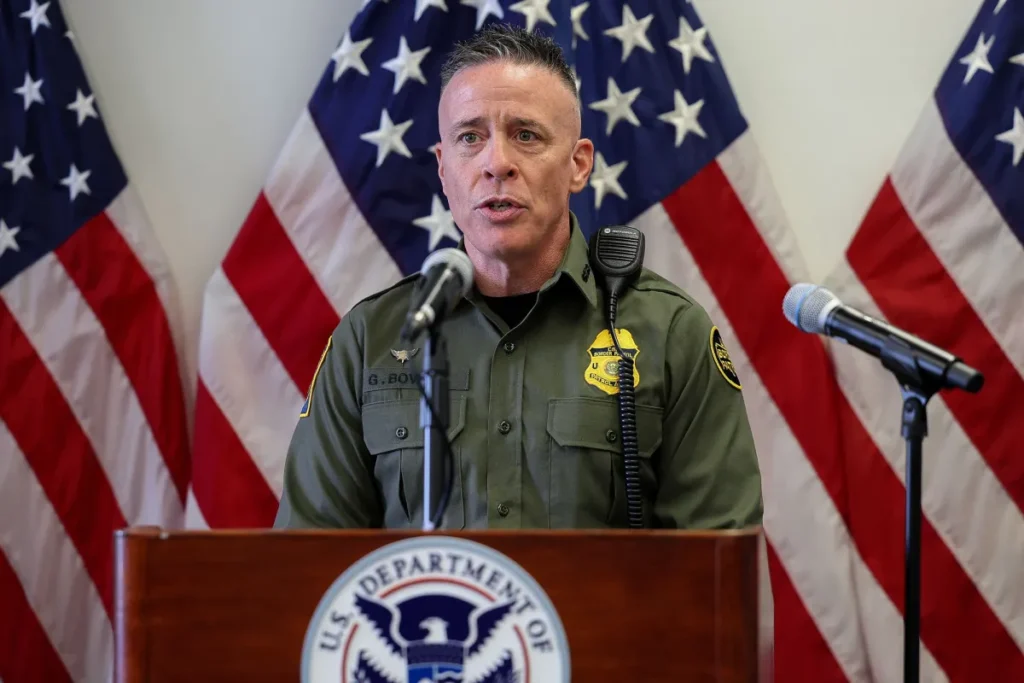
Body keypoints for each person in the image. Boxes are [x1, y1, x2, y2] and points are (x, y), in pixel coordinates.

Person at [273, 24, 762, 531]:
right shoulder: (369, 339)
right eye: (470, 138)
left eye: (525, 135)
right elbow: (310, 569)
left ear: (578, 165)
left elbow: (719, 578)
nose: (497, 164)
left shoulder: (669, 334)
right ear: (443, 169)